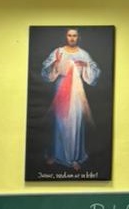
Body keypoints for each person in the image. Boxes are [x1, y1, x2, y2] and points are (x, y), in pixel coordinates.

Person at [42, 27, 101, 170]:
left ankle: (74, 157)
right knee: (60, 122)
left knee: (75, 121)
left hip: (77, 90)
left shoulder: (84, 54)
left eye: (75, 35)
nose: (72, 38)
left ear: (78, 37)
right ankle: (57, 154)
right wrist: (55, 63)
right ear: (66, 36)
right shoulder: (58, 52)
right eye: (69, 35)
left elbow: (95, 71)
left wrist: (86, 65)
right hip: (61, 87)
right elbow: (45, 70)